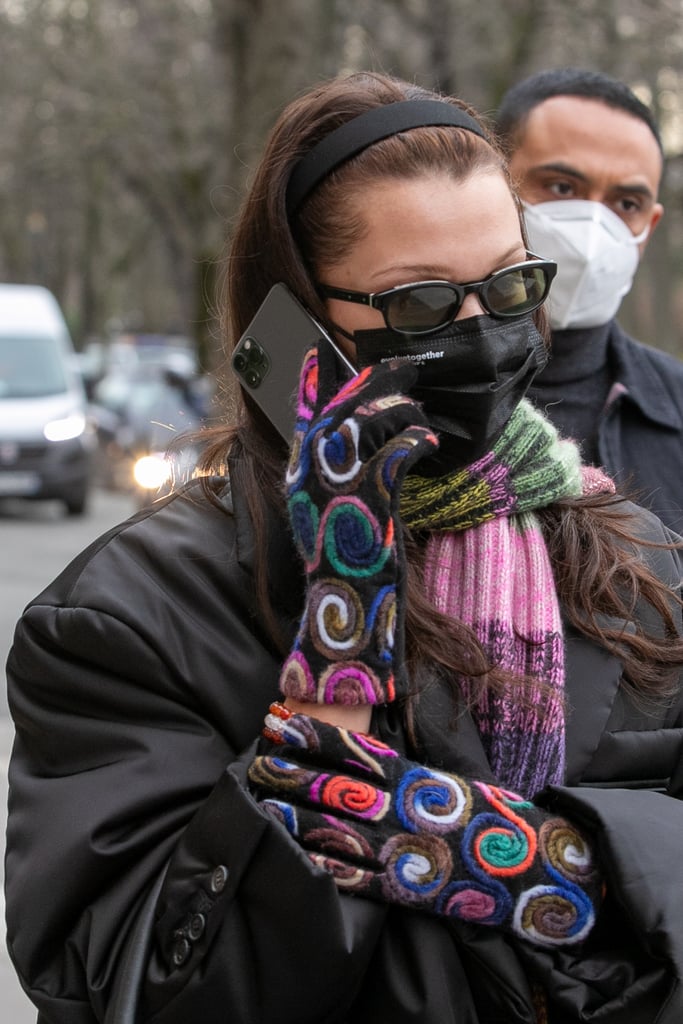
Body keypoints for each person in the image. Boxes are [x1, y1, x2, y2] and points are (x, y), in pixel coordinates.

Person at [5, 72, 683, 1024]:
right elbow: (135, 987)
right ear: (297, 324)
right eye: (417, 306)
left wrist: (536, 860)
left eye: (508, 286)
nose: (482, 338)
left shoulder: (636, 562)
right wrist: (340, 642)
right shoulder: (130, 614)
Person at [497, 67, 683, 536]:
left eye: (626, 204)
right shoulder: (411, 396)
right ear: (493, 187)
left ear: (648, 230)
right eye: (561, 187)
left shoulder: (677, 407)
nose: (592, 230)